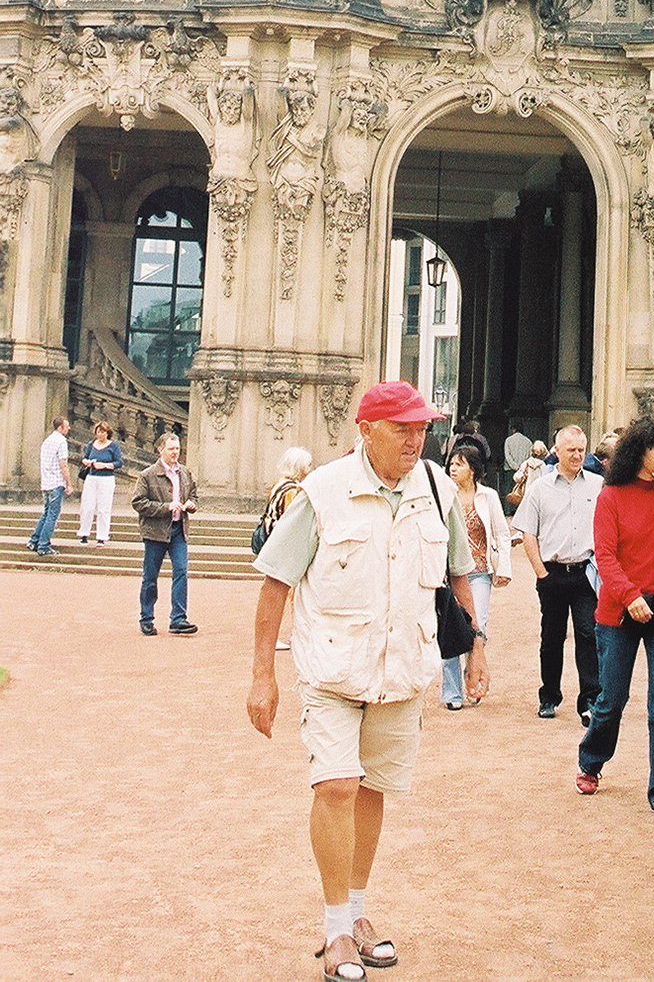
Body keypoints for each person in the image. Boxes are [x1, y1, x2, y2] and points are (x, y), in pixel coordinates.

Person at [247, 379, 487, 982]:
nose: (416, 438)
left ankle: (357, 915)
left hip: (402, 670)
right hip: (331, 670)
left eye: (422, 427)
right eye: (402, 428)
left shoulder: (437, 490)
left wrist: (477, 646)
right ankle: (333, 931)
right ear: (367, 431)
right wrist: (262, 677)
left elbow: (459, 574)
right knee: (336, 786)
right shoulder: (321, 492)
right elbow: (275, 582)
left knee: (372, 788)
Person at [576, 418, 654, 811]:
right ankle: (591, 760)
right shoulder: (612, 497)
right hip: (618, 612)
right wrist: (628, 596)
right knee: (612, 699)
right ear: (638, 452)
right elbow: (604, 556)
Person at [513, 423, 602, 722]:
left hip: (585, 573)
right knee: (551, 637)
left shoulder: (597, 485)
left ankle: (590, 699)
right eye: (571, 450)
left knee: (588, 635)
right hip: (552, 571)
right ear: (557, 451)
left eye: (581, 450)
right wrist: (540, 572)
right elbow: (528, 532)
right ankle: (549, 695)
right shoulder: (540, 488)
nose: (577, 456)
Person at [440, 442, 510, 711]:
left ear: (472, 470)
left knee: (477, 628)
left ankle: (474, 678)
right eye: (451, 464)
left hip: (479, 571)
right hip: (449, 574)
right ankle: (451, 692)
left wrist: (503, 568)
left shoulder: (488, 496)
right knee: (449, 629)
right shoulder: (444, 495)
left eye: (459, 464)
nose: (453, 468)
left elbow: (502, 533)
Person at [132, 430, 198, 635]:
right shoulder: (147, 475)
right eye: (171, 449)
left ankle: (178, 618)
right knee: (150, 576)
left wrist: (191, 504)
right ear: (160, 450)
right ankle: (146, 618)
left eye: (177, 449)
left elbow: (194, 493)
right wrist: (165, 507)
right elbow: (138, 502)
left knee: (181, 572)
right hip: (155, 532)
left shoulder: (185, 473)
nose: (175, 453)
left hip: (179, 530)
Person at [260, 447, 313, 650]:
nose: (309, 469)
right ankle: (291, 634)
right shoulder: (291, 490)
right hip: (286, 549)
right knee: (292, 594)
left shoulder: (279, 484)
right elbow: (295, 521)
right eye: (307, 465)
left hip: (274, 543)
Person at [27, 415, 71, 556]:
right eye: (66, 426)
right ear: (60, 427)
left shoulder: (47, 440)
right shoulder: (61, 441)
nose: (69, 428)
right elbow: (63, 464)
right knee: (52, 515)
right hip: (56, 482)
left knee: (46, 513)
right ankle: (44, 545)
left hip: (46, 482)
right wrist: (69, 483)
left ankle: (34, 540)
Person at [77, 420, 123, 544]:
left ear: (108, 433)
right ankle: (84, 533)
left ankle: (102, 536)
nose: (100, 435)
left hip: (106, 478)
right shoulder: (91, 444)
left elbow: (119, 462)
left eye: (103, 432)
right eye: (98, 432)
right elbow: (85, 457)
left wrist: (105, 465)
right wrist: (87, 462)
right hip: (92, 477)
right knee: (87, 506)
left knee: (104, 508)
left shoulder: (113, 446)